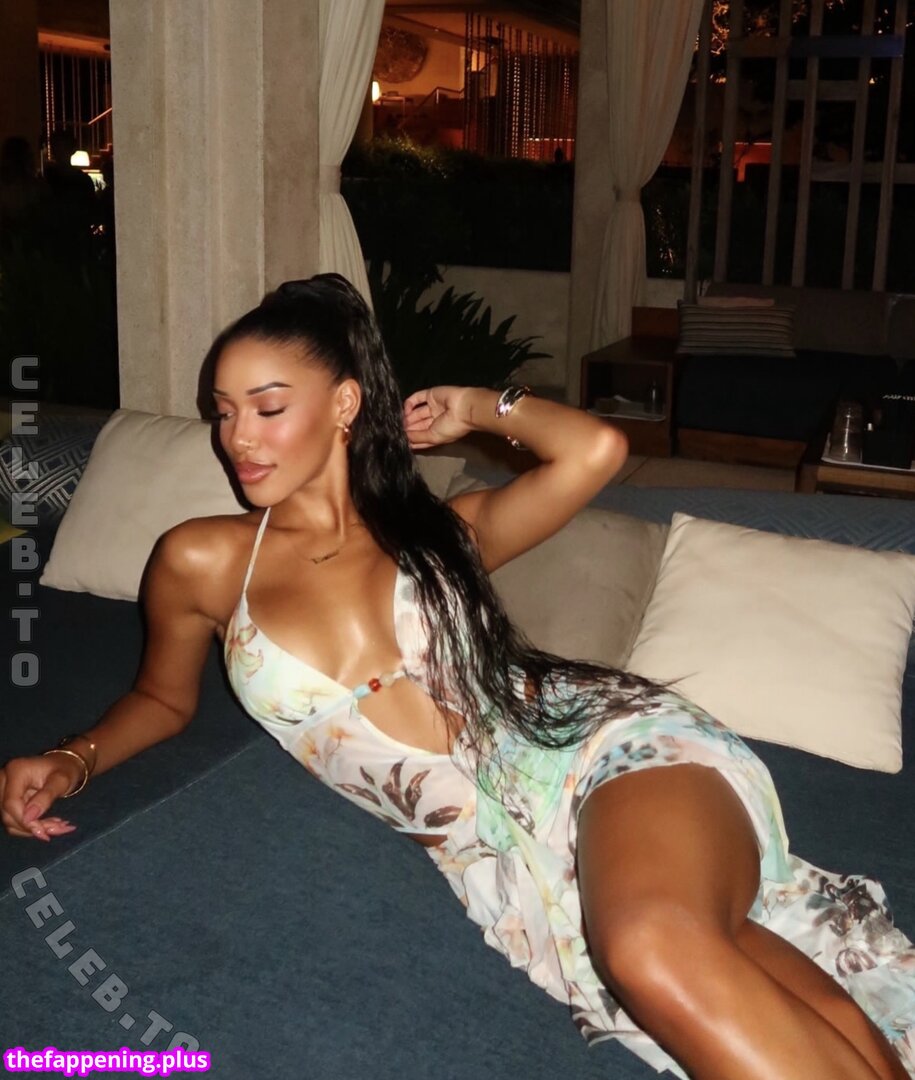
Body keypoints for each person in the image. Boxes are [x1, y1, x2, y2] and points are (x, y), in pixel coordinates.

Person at [2, 274, 914, 1080]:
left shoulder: (444, 534)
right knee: (740, 973)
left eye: (267, 407)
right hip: (504, 853)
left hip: (601, 749)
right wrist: (72, 761)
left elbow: (595, 452)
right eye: (222, 410)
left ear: (345, 403)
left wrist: (478, 406)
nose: (237, 436)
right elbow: (162, 699)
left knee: (648, 947)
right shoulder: (201, 559)